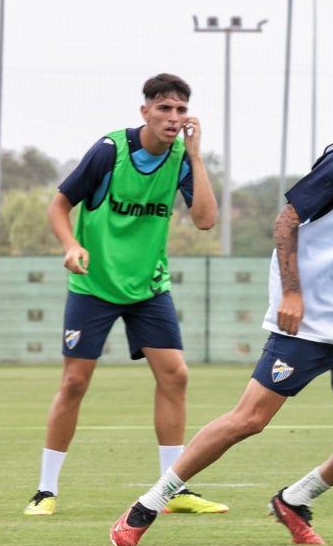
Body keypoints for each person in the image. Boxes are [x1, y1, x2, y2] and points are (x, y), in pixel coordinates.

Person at [109, 72, 333, 546]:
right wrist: (293, 294)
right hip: (310, 323)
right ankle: (148, 504)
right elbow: (287, 220)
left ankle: (295, 499)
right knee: (249, 420)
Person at [24, 74, 227, 517]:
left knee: (175, 375)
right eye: (164, 109)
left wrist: (195, 157)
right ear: (146, 112)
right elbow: (59, 204)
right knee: (75, 382)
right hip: (94, 284)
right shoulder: (110, 151)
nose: (173, 118)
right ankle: (45, 490)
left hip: (148, 287)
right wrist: (71, 246)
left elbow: (207, 220)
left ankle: (172, 489)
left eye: (180, 110)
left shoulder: (182, 158)